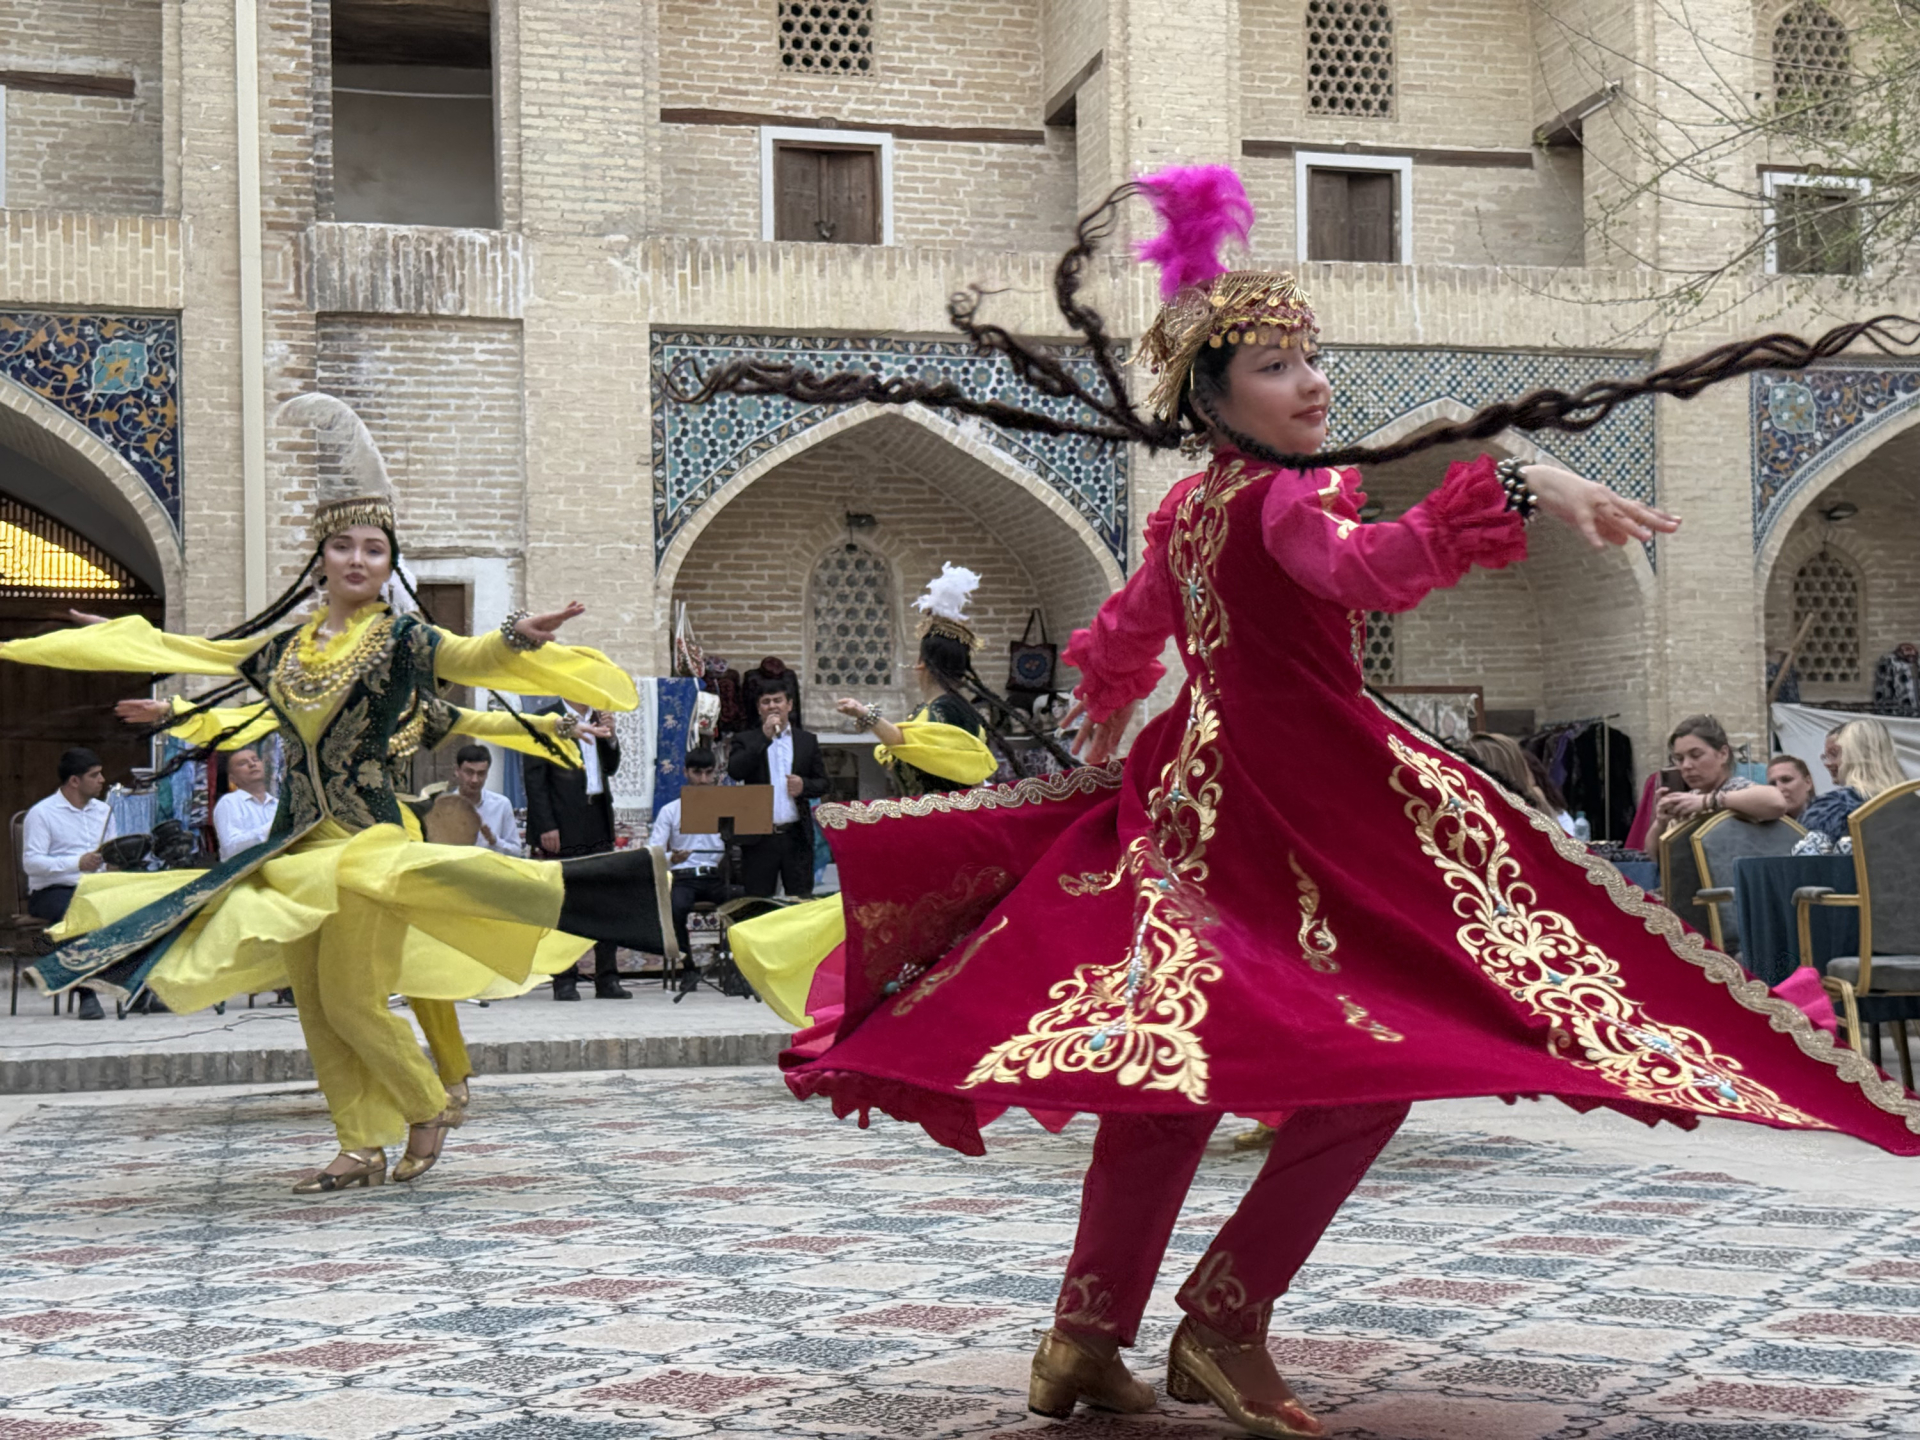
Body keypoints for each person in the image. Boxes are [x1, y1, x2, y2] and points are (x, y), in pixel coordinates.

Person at [682, 166, 1920, 1437]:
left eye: (1311, 356)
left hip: (1207, 795)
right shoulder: (1280, 497)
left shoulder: (1193, 507)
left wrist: (1111, 720)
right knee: (1361, 1065)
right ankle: (1221, 1318)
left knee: (1180, 1074)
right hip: (1288, 803)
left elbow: (1130, 635)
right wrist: (1514, 484)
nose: (1313, 381)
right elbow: (1361, 568)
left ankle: (1083, 1338)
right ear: (1216, 398)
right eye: (1276, 366)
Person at [0, 393, 644, 1194]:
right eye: (343, 545)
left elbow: (472, 662)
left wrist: (517, 638)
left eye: (374, 549)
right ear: (322, 557)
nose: (357, 560)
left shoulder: (405, 641)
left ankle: (424, 1102)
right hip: (293, 846)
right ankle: (358, 1145)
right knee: (315, 1003)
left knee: (351, 998)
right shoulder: (287, 649)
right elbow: (207, 661)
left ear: (388, 562)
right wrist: (131, 661)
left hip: (366, 847)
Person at [730, 565, 1001, 1040]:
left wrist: (866, 714)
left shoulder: (945, 712)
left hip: (937, 841)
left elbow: (918, 747)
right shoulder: (936, 712)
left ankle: (902, 1027)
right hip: (929, 836)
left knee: (884, 928)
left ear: (922, 665)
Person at [522, 697, 627, 1001]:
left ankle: (607, 978)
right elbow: (535, 778)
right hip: (563, 820)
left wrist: (611, 736)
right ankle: (564, 978)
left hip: (598, 817)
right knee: (564, 902)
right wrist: (545, 825)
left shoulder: (599, 719)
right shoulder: (547, 719)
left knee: (604, 902)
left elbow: (611, 767)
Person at [21, 748, 114, 1020]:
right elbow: (32, 862)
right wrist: (76, 863)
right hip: (52, 890)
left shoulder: (104, 810)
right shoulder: (42, 813)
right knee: (74, 911)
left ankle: (141, 990)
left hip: (95, 887)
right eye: (94, 775)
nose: (102, 780)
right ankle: (86, 993)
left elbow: (110, 852)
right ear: (74, 781)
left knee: (134, 907)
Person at [727, 687, 829, 899]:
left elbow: (824, 783)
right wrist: (764, 737)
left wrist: (804, 786)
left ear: (789, 705)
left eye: (778, 700)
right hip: (759, 838)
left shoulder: (806, 741)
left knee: (801, 901)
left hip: (796, 835)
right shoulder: (745, 739)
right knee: (758, 902)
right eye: (766, 701)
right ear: (759, 709)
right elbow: (736, 771)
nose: (772, 706)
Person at [648, 747, 728, 960]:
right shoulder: (671, 810)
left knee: (744, 902)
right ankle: (688, 965)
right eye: (697, 773)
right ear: (686, 772)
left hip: (714, 876)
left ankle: (730, 964)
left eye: (708, 773)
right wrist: (671, 858)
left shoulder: (725, 808)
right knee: (676, 908)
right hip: (684, 877)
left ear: (716, 773)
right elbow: (652, 850)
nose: (703, 779)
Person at [1654, 714, 1790, 837]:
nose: (1686, 765)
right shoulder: (1690, 799)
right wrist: (1660, 823)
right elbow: (1657, 856)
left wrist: (1709, 801)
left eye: (1696, 755)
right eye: (1679, 758)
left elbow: (1776, 802)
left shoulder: (1737, 788)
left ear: (1723, 754)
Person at [1795, 717, 1911, 853]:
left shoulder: (1835, 806)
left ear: (1853, 754)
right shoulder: (1911, 802)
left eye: (1835, 753)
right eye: (1825, 756)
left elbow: (1801, 858)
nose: (1827, 763)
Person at [450, 744, 522, 857]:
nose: (475, 780)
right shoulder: (445, 806)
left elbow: (516, 852)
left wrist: (494, 841)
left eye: (481, 774)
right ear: (457, 771)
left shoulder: (501, 804)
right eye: (469, 772)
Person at [212, 746, 279, 861]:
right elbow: (231, 848)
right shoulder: (228, 803)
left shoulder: (277, 804)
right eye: (242, 763)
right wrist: (274, 828)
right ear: (232, 778)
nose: (252, 764)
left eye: (255, 759)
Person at [1766, 753, 1815, 822]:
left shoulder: (1829, 819)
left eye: (1786, 780)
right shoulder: (1764, 827)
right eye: (1773, 784)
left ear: (1808, 782)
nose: (1779, 788)